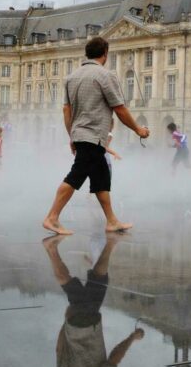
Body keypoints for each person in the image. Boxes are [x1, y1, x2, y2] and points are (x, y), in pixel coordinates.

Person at [42, 37, 149, 236]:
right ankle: (52, 217)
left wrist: (72, 136)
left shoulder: (72, 77)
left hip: (82, 135)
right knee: (76, 176)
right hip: (93, 135)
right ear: (105, 54)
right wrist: (138, 130)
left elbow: (67, 110)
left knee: (101, 179)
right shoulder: (105, 76)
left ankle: (112, 221)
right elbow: (120, 109)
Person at [43, 234, 143, 367]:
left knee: (89, 284)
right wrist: (65, 322)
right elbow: (59, 350)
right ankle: (54, 249)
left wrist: (132, 338)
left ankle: (52, 249)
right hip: (73, 325)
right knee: (86, 285)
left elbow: (114, 359)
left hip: (88, 325)